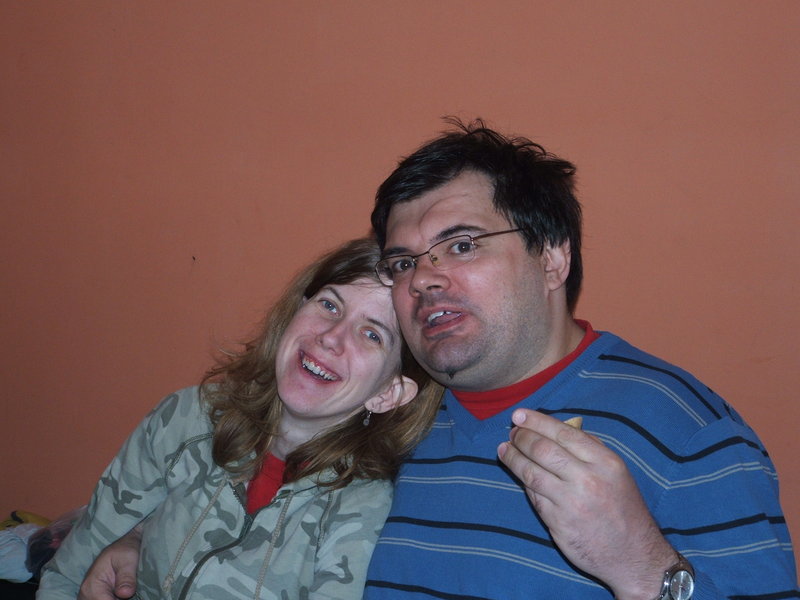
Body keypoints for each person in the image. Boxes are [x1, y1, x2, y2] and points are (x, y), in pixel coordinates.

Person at [78, 120, 799, 599]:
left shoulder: (683, 428)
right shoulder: (384, 418)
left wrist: (643, 567)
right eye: (403, 261)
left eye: (461, 245)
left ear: (552, 258)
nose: (422, 278)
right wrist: (144, 540)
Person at [36, 237, 442, 600]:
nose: (331, 337)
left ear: (388, 393)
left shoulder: (365, 506)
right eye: (329, 305)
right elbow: (67, 576)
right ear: (297, 310)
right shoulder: (187, 418)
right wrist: (132, 538)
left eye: (372, 334)